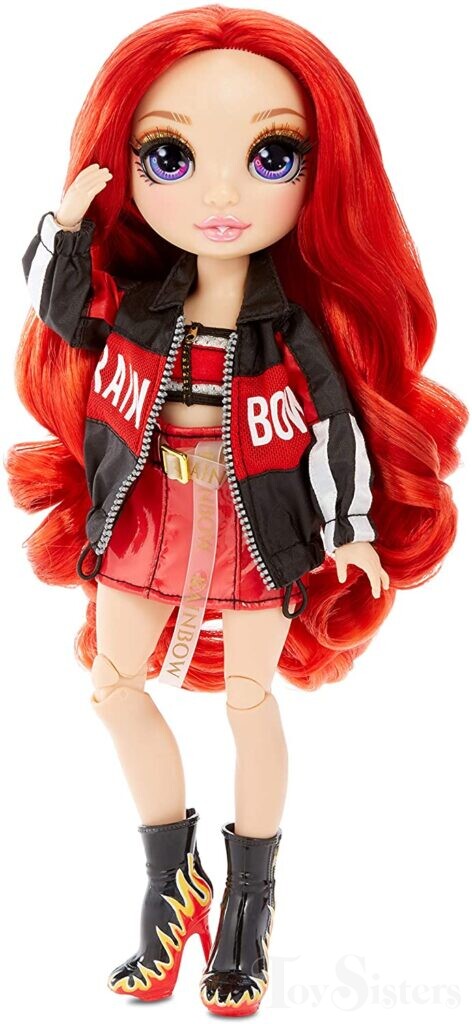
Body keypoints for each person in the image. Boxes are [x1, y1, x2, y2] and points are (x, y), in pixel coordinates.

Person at [7, 6, 468, 1016]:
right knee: (114, 684)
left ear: (320, 174)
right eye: (170, 157)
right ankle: (172, 885)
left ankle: (249, 912)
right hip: (144, 514)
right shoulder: (139, 306)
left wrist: (348, 528)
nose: (220, 194)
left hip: (254, 523)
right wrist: (68, 224)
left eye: (271, 155)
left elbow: (331, 430)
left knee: (249, 699)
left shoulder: (289, 331)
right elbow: (57, 310)